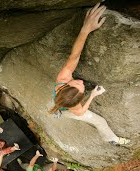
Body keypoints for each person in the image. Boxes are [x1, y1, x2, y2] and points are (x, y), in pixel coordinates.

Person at [49, 3, 130, 145]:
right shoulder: (74, 107)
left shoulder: (62, 78)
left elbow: (74, 56)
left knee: (57, 105)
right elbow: (80, 112)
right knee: (100, 121)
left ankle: (56, 110)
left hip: (62, 102)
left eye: (76, 83)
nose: (81, 82)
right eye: (82, 89)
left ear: (66, 84)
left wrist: (85, 29)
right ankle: (112, 139)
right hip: (68, 110)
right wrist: (92, 95)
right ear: (78, 100)